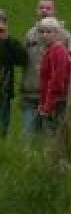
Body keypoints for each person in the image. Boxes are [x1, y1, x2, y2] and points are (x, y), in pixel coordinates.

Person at [19, 0, 71, 136]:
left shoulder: (66, 36)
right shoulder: (30, 34)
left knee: (53, 137)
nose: (44, 10)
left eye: (48, 8)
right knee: (29, 138)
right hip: (31, 94)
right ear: (37, 10)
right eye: (41, 8)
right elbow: (22, 59)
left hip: (56, 98)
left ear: (54, 11)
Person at [37, 17, 71, 133]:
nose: (44, 35)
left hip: (57, 103)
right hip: (52, 102)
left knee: (54, 138)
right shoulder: (51, 50)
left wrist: (47, 106)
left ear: (57, 33)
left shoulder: (58, 51)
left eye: (49, 32)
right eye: (42, 32)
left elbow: (57, 81)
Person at [0, 9, 28, 137]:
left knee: (2, 132)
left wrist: (6, 39)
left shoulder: (10, 43)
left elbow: (22, 59)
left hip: (3, 94)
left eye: (2, 21)